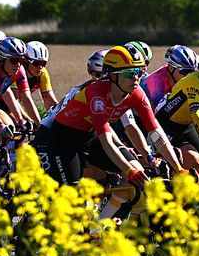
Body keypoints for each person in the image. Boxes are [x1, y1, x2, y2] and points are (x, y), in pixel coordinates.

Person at [39, 45, 182, 216]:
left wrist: (178, 168)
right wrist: (128, 170)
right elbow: (106, 140)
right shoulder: (97, 93)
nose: (136, 78)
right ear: (113, 75)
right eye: (129, 73)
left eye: (139, 72)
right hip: (64, 137)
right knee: (72, 198)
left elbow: (156, 131)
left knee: (137, 176)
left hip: (89, 136)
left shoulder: (136, 93)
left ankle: (100, 228)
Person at [140, 45, 199, 110]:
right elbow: (162, 111)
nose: (189, 75)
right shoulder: (156, 81)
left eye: (192, 71)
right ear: (171, 68)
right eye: (185, 71)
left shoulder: (176, 75)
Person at [23, 41, 58, 110]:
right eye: (36, 63)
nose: (40, 67)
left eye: (43, 63)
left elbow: (49, 98)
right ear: (26, 62)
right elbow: (13, 101)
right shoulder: (16, 73)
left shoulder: (42, 73)